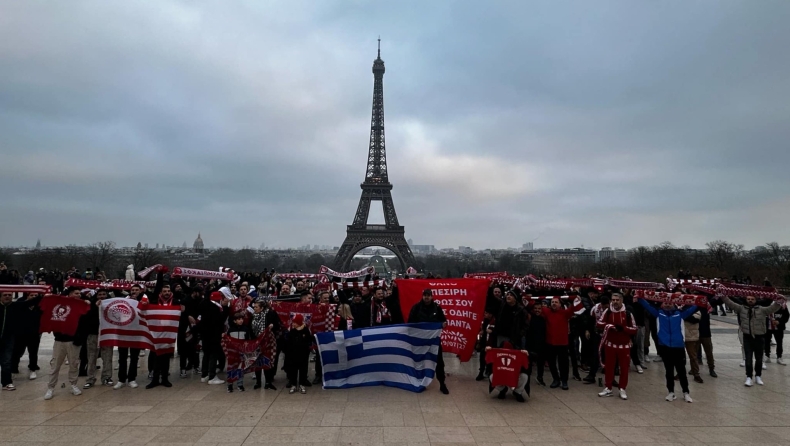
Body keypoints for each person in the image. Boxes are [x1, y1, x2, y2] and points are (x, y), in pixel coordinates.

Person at [638, 298, 697, 403]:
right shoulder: (659, 313)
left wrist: (701, 300)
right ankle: (671, 392)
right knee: (669, 371)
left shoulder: (680, 314)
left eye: (670, 303)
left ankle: (686, 392)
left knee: (681, 371)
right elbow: (647, 306)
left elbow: (694, 307)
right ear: (662, 304)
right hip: (665, 347)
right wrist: (640, 297)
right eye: (666, 303)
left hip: (678, 347)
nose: (668, 305)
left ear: (674, 304)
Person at [720, 294, 783, 386]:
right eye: (748, 299)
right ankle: (749, 377)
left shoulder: (762, 309)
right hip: (747, 337)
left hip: (759, 337)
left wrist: (779, 300)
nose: (750, 300)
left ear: (755, 300)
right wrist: (723, 296)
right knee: (748, 359)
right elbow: (730, 303)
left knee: (759, 359)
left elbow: (773, 308)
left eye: (752, 299)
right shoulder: (741, 308)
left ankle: (758, 376)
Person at [45, 288, 91, 400]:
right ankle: (50, 388)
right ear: (70, 294)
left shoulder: (81, 305)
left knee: (74, 364)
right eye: (76, 293)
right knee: (55, 365)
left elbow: (85, 322)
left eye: (80, 293)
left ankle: (73, 385)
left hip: (74, 341)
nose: (79, 295)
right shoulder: (61, 304)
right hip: (60, 340)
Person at [407, 288, 449, 395]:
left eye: (428, 295)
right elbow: (410, 322)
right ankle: (419, 380)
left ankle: (442, 383)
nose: (426, 297)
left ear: (432, 296)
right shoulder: (416, 308)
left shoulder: (437, 308)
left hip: (434, 340)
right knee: (419, 361)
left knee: (439, 361)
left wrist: (443, 324)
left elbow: (443, 320)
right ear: (422, 296)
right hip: (420, 341)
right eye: (425, 295)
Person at [597, 292, 637, 400]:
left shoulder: (628, 313)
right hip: (610, 345)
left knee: (624, 368)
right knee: (609, 367)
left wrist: (623, 328)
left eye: (617, 300)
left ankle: (622, 388)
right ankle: (608, 387)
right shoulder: (608, 311)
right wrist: (608, 326)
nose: (614, 302)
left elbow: (634, 329)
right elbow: (599, 323)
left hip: (624, 346)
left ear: (621, 300)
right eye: (613, 300)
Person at [2, 290, 43, 390]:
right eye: (5, 295)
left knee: (6, 361)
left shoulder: (16, 305)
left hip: (9, 337)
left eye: (9, 295)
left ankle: (6, 382)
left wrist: (42, 294)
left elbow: (30, 302)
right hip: (12, 335)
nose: (7, 296)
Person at [541, 296, 583, 390]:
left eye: (556, 302)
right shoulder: (547, 312)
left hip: (562, 343)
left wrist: (575, 297)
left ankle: (564, 381)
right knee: (552, 363)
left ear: (560, 304)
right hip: (550, 342)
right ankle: (555, 379)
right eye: (552, 302)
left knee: (563, 363)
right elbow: (532, 305)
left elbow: (574, 306)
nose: (554, 304)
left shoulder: (565, 313)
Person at [199, 291, 231, 385]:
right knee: (213, 355)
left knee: (206, 354)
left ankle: (204, 375)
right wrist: (226, 307)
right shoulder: (215, 308)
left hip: (205, 335)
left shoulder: (205, 305)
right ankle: (212, 376)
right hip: (214, 335)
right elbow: (221, 320)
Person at [251, 299, 281, 390]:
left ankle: (268, 381)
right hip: (256, 342)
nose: (254, 309)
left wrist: (272, 326)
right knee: (257, 362)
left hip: (268, 342)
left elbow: (277, 325)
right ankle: (258, 382)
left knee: (267, 361)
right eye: (254, 307)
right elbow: (250, 328)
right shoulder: (253, 316)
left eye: (256, 307)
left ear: (262, 308)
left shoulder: (270, 314)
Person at [284, 314, 312, 394]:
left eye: (295, 323)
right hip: (293, 354)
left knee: (303, 369)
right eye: (293, 323)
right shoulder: (292, 331)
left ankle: (302, 384)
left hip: (303, 353)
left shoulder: (305, 330)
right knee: (293, 369)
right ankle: (293, 384)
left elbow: (308, 340)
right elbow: (288, 342)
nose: (293, 324)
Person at [226, 312, 253, 392]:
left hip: (241, 353)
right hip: (232, 353)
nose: (241, 321)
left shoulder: (245, 329)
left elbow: (247, 341)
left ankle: (240, 384)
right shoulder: (230, 330)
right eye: (239, 319)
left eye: (242, 319)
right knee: (231, 368)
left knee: (240, 368)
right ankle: (230, 384)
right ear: (234, 321)